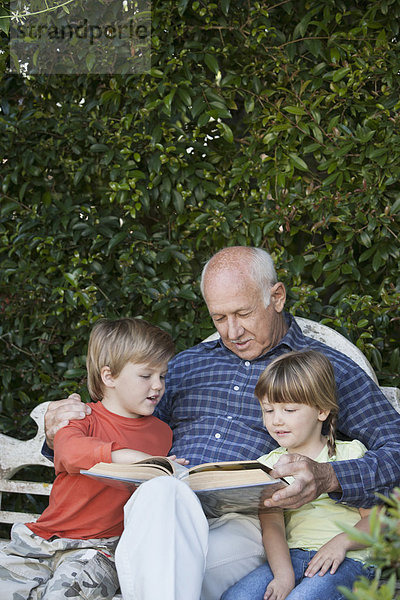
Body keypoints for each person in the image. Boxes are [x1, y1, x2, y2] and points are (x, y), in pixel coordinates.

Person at [42, 246, 400, 600]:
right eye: (218, 318)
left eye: (243, 313)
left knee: (160, 566)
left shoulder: (319, 369)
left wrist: (330, 477)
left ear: (276, 297)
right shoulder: (184, 367)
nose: (232, 331)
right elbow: (119, 426)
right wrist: (59, 431)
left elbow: (396, 446)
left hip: (245, 521)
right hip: (159, 516)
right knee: (161, 491)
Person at [0, 317, 188, 599]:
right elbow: (68, 452)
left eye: (162, 375)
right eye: (146, 375)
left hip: (101, 550)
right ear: (109, 376)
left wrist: (166, 471)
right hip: (44, 539)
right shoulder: (81, 417)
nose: (158, 385)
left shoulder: (161, 434)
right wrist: (130, 457)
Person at [221, 349, 375, 600]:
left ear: (322, 410)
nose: (276, 421)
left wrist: (341, 543)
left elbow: (378, 521)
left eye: (289, 410)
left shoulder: (350, 454)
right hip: (291, 557)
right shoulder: (267, 466)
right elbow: (272, 526)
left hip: (349, 559)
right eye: (268, 410)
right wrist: (283, 576)